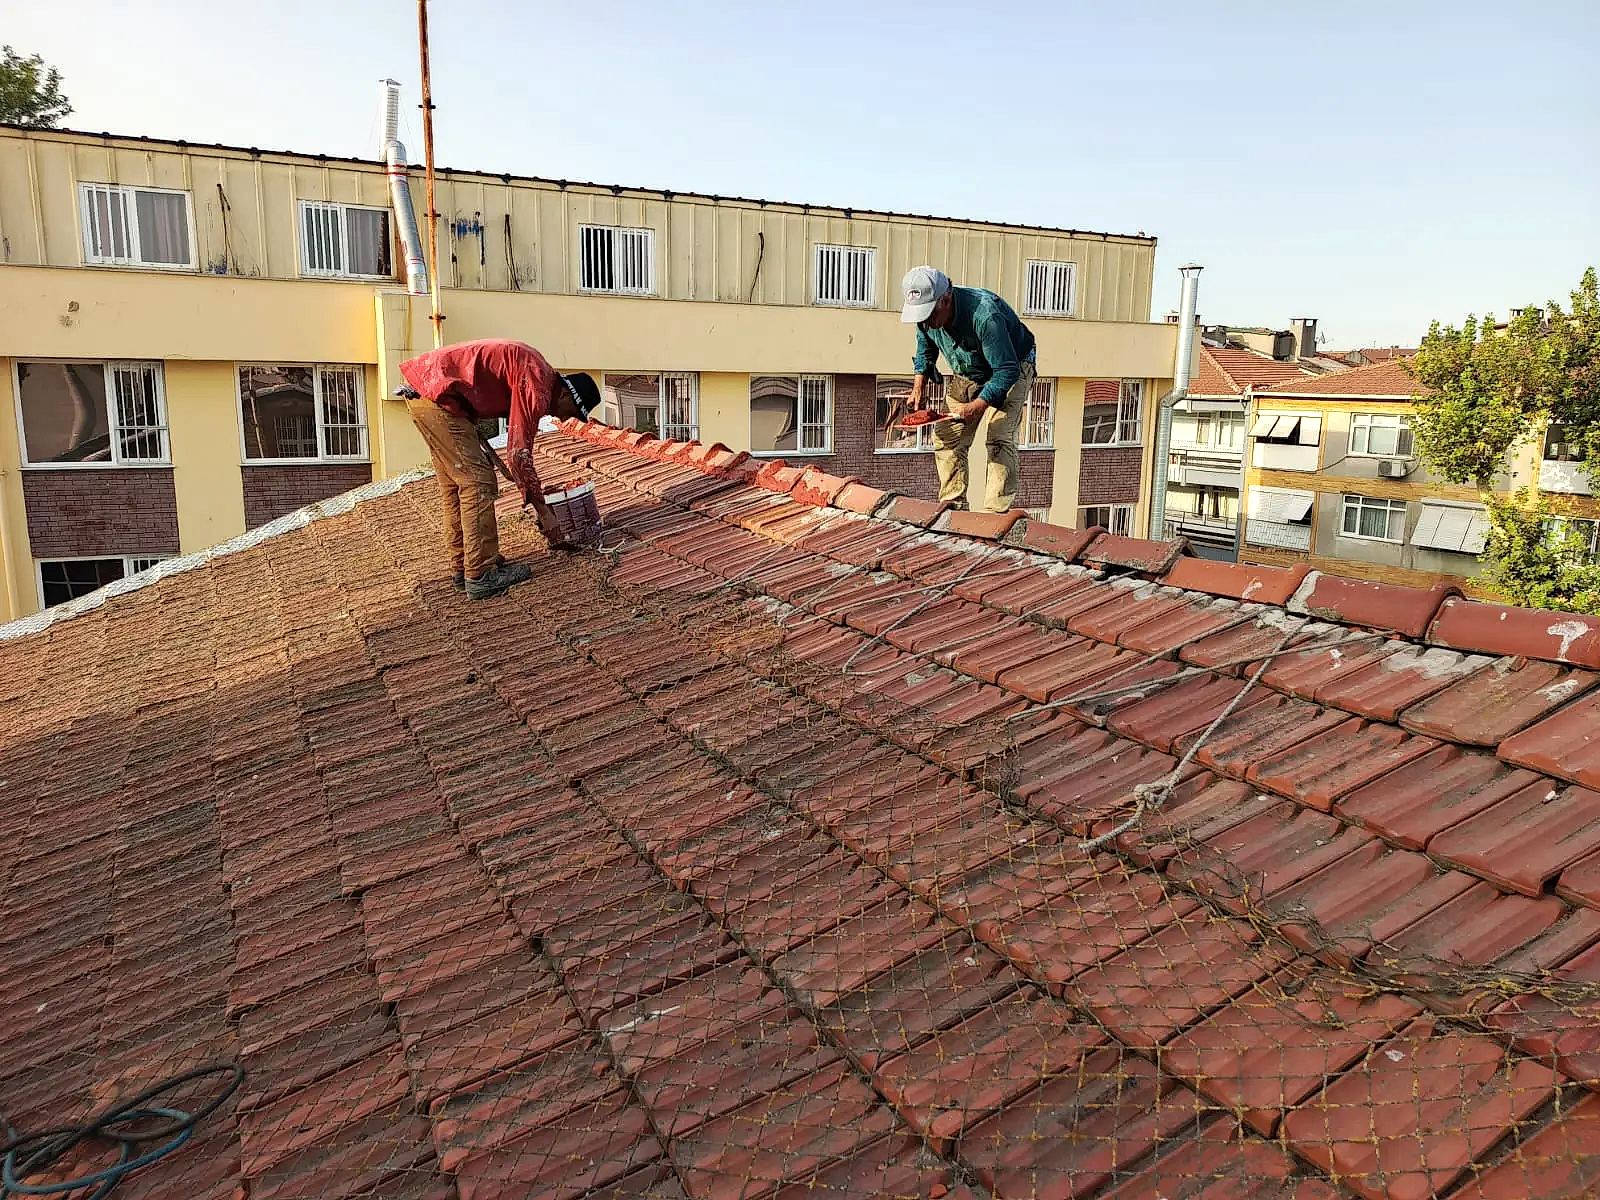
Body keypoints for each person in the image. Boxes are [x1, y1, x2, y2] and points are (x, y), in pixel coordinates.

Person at [395, 339, 601, 599]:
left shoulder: (535, 372)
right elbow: (518, 454)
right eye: (570, 412)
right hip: (437, 399)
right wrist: (543, 510)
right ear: (565, 395)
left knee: (455, 484)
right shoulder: (536, 384)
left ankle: (465, 565)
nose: (562, 419)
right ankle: (481, 574)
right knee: (478, 483)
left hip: (428, 395)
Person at [900, 265, 1038, 513]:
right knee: (947, 436)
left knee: (998, 437)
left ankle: (997, 513)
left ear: (945, 299)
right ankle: (953, 506)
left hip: (1012, 366)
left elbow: (1007, 371)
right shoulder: (925, 317)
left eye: (929, 313)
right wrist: (918, 385)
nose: (926, 321)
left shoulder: (985, 315)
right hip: (967, 370)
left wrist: (978, 404)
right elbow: (925, 347)